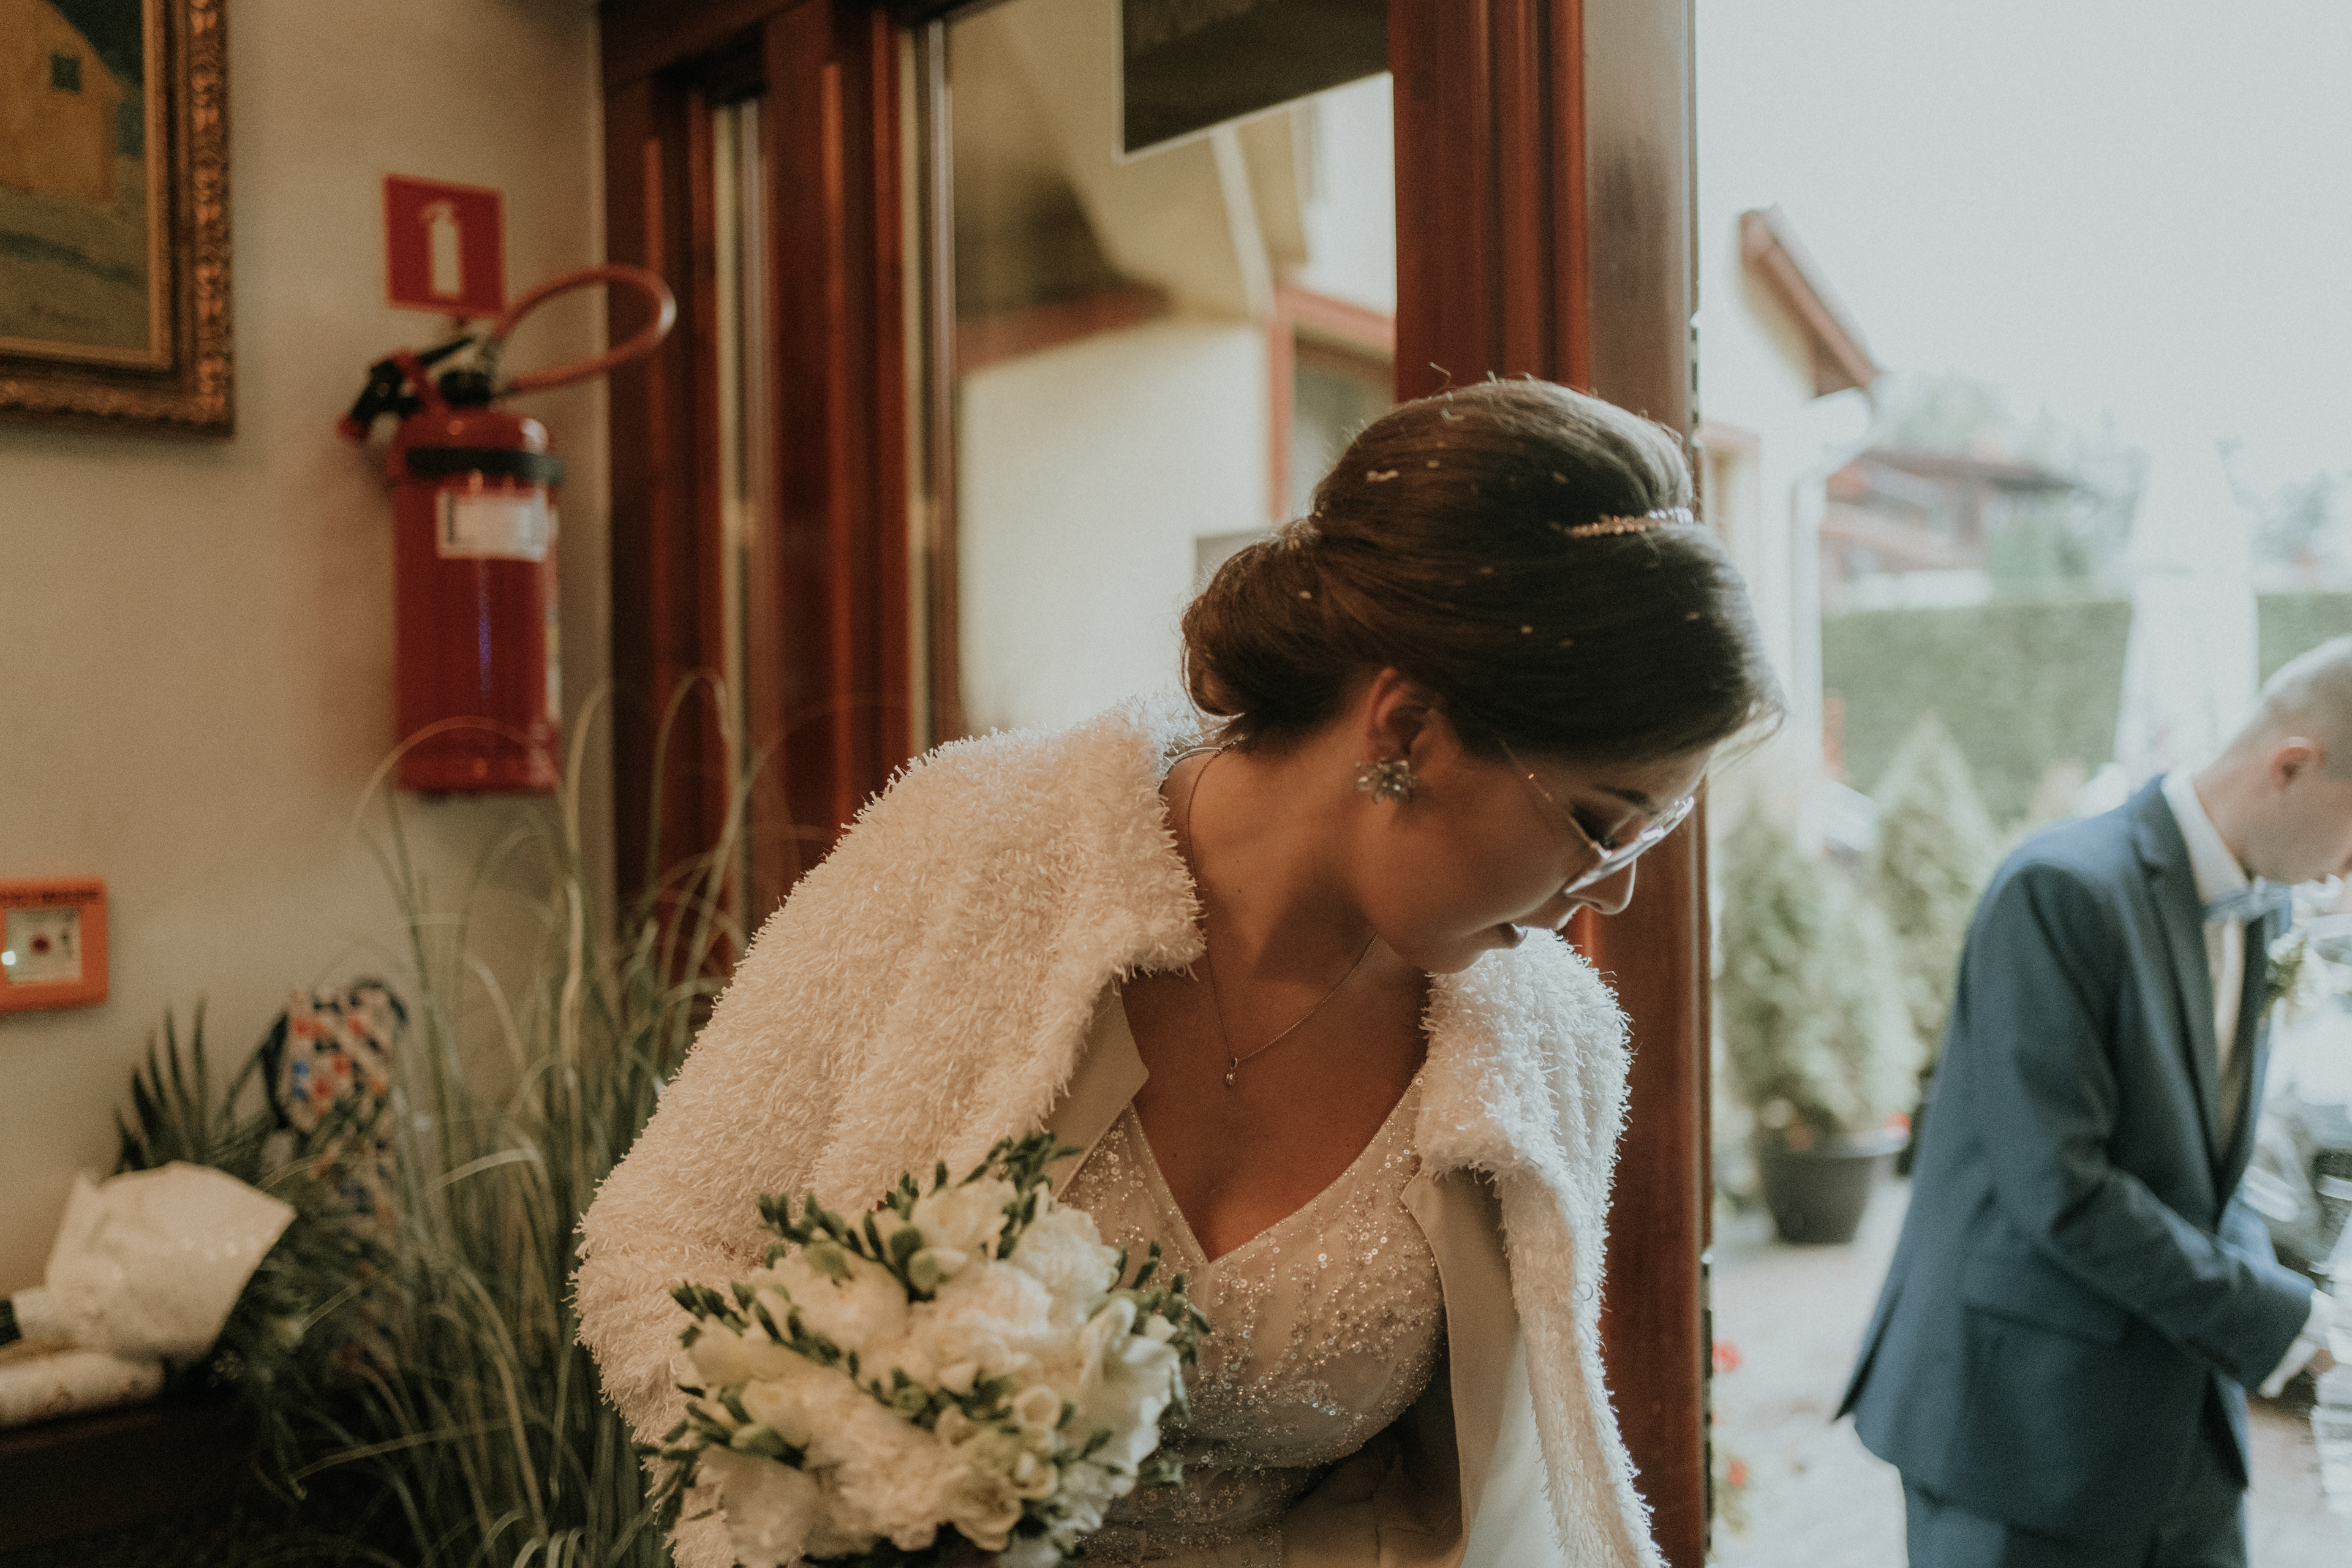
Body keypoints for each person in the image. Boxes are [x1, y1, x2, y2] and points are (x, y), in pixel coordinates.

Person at [575, 379, 1782, 1568]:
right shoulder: (972, 843)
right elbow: (659, 1240)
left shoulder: (1549, 1045)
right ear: (1408, 729)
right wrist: (842, 1494)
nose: (1616, 891)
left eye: (1656, 834)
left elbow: (1507, 1497)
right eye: (1603, 822)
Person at [1841, 639, 2352, 1567]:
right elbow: (2063, 1188)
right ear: (2291, 767)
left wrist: (2296, 1318)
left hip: (2186, 1432)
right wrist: (2287, 1323)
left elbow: (2209, 1169)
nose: (2350, 871)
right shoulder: (2060, 890)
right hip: (2020, 1434)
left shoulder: (2267, 906)